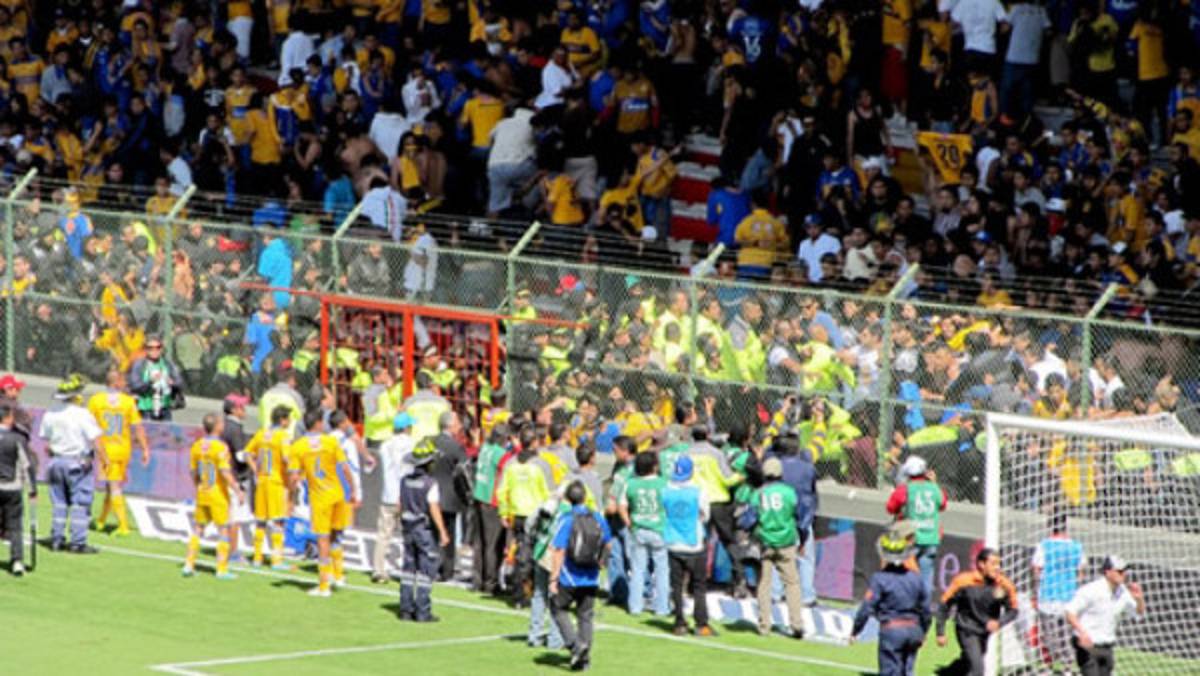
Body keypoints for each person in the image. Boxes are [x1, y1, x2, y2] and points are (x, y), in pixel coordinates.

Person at [289, 410, 358, 597]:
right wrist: (352, 491)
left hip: (320, 498)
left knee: (323, 541)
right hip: (337, 494)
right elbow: (345, 468)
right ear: (319, 423)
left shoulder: (298, 446)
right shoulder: (331, 441)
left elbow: (294, 477)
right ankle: (339, 575)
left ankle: (324, 586)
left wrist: (290, 499)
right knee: (336, 536)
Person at [549, 480, 613, 672]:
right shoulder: (598, 518)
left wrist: (554, 578)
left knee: (558, 609)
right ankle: (584, 659)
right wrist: (601, 562)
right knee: (585, 616)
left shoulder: (567, 519)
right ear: (585, 497)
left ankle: (575, 646)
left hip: (570, 576)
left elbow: (558, 550)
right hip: (591, 576)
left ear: (568, 499)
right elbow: (608, 543)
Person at [850, 531, 931, 676]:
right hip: (914, 630)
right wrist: (924, 631)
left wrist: (856, 630)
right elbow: (925, 609)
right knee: (908, 671)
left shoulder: (880, 579)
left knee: (889, 671)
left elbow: (867, 607)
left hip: (892, 631)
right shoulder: (916, 579)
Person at [39, 374, 102, 554]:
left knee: (59, 502)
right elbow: (96, 439)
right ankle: (78, 542)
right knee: (80, 503)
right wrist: (104, 460)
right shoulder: (82, 414)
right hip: (77, 462)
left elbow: (46, 441)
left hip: (55, 461)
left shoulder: (50, 413)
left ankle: (56, 539)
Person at [936, 548, 1018, 676]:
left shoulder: (1004, 585)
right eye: (993, 564)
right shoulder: (963, 581)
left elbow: (1013, 611)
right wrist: (940, 632)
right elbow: (945, 605)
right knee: (977, 669)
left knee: (968, 663)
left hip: (984, 632)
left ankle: (947, 673)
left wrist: (999, 622)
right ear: (981, 564)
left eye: (999, 564)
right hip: (966, 629)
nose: (997, 568)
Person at [87, 369, 149, 536]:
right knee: (111, 484)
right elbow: (138, 427)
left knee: (113, 485)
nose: (125, 383)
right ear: (115, 383)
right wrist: (144, 448)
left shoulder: (96, 400)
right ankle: (101, 520)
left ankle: (123, 526)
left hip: (105, 450)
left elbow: (87, 425)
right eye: (122, 381)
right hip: (122, 448)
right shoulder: (128, 402)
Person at [183, 414, 245, 579]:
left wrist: (197, 485)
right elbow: (225, 472)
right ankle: (221, 569)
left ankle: (189, 564)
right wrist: (237, 489)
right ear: (217, 426)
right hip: (218, 494)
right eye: (221, 423)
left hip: (203, 492)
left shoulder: (197, 445)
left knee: (198, 528)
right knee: (223, 530)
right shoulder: (221, 447)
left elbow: (192, 471)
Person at [749, 457, 805, 639]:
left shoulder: (758, 493)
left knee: (764, 583)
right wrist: (802, 537)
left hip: (765, 541)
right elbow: (800, 516)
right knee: (792, 583)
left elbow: (750, 518)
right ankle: (796, 624)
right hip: (787, 541)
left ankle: (764, 625)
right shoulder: (790, 492)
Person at [397, 438, 451, 622]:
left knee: (408, 570)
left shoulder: (404, 481)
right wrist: (443, 531)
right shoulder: (430, 483)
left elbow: (399, 505)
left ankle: (405, 609)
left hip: (407, 528)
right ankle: (422, 611)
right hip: (423, 530)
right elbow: (434, 508)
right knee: (425, 571)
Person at [1065, 555, 1146, 676]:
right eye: (1119, 571)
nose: (1124, 574)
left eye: (1125, 571)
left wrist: (1140, 599)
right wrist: (1082, 633)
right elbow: (1069, 612)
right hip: (1088, 646)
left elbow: (1138, 614)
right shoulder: (1091, 590)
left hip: (1107, 647)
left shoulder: (1123, 592)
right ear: (1108, 572)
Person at [662, 455, 714, 637]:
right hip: (694, 544)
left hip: (673, 543)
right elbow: (705, 515)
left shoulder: (666, 491)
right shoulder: (698, 491)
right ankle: (701, 624)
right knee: (699, 586)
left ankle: (679, 623)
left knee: (676, 586)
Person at [1031, 513, 1086, 674]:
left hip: (1048, 596)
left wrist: (1035, 593)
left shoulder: (1044, 545)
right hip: (1069, 597)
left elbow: (1037, 571)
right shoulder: (1076, 546)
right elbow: (1080, 572)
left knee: (1049, 636)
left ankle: (1048, 668)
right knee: (1067, 636)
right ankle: (1068, 669)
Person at [885, 455, 947, 592]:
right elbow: (942, 504)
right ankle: (924, 609)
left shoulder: (905, 489)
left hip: (910, 538)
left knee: (903, 573)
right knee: (926, 577)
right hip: (931, 538)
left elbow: (890, 508)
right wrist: (934, 483)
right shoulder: (934, 489)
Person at [619, 451, 669, 617]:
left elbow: (622, 506)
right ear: (654, 466)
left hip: (638, 528)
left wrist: (629, 523)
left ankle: (635, 606)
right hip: (659, 529)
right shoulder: (664, 483)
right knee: (662, 570)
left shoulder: (630, 483)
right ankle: (662, 607)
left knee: (637, 569)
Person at [243, 406, 293, 570]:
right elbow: (286, 458)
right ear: (283, 420)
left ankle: (257, 557)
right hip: (276, 482)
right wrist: (293, 473)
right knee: (278, 521)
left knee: (261, 521)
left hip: (262, 480)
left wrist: (255, 470)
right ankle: (276, 560)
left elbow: (247, 453)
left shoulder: (261, 434)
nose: (290, 421)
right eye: (288, 418)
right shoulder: (282, 436)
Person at [373, 412, 417, 584]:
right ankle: (409, 569)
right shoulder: (412, 444)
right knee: (409, 534)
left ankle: (379, 570)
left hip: (388, 494)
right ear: (406, 427)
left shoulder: (385, 445)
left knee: (384, 534)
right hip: (406, 494)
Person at [472, 423, 511, 594]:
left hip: (479, 496)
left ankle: (477, 580)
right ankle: (491, 583)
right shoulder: (501, 454)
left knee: (479, 542)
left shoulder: (485, 448)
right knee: (493, 545)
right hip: (492, 501)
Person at [431, 410, 468, 581]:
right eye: (457, 422)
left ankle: (430, 566)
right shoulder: (455, 447)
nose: (460, 426)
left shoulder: (429, 442)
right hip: (449, 496)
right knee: (449, 535)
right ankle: (447, 570)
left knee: (431, 532)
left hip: (430, 494)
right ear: (451, 426)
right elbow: (464, 470)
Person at [0, 403, 36, 576]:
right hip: (12, 488)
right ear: (7, 418)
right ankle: (17, 561)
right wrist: (32, 489)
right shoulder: (17, 439)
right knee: (14, 526)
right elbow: (27, 465)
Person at [220, 393, 252, 563]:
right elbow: (240, 456)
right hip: (234, 477)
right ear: (233, 409)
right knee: (235, 518)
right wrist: (252, 460)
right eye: (241, 407)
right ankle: (233, 552)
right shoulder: (235, 428)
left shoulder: (223, 425)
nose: (244, 410)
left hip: (224, 475)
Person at [127, 335, 185, 421]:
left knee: (166, 433)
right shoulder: (139, 364)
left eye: (158, 347)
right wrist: (150, 382)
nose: (154, 350)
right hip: (146, 409)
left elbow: (180, 382)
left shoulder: (167, 364)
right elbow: (135, 385)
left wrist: (172, 383)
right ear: (146, 349)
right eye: (150, 348)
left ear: (161, 349)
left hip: (165, 409)